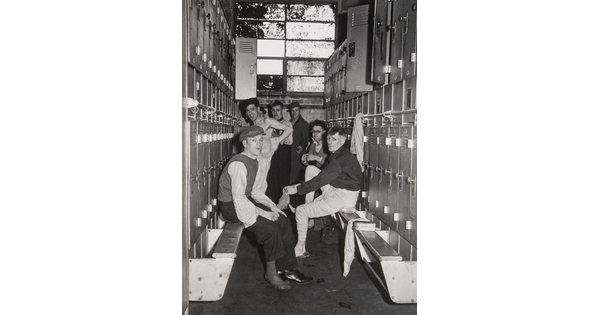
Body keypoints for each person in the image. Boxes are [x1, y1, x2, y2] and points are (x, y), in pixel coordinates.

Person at [217, 125, 313, 289]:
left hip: (243, 201)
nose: (258, 144)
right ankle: (271, 273)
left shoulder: (253, 160)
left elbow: (254, 191)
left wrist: (271, 206)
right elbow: (239, 198)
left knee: (282, 220)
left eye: (261, 140)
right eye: (253, 141)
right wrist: (263, 213)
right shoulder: (239, 164)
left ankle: (287, 268)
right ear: (245, 143)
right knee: (269, 229)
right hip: (230, 206)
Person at [283, 126, 362, 258]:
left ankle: (300, 248)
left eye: (334, 139)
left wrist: (297, 189)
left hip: (343, 196)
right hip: (337, 188)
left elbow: (320, 180)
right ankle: (309, 205)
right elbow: (322, 176)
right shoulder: (339, 154)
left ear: (342, 140)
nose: (330, 142)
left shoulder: (338, 159)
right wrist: (298, 186)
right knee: (310, 170)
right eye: (329, 138)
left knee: (301, 211)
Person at [239, 98, 293, 206]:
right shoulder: (252, 127)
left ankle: (271, 212)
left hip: (264, 162)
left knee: (260, 189)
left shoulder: (267, 121)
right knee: (253, 189)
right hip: (254, 162)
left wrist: (277, 140)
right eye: (248, 111)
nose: (250, 113)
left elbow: (289, 129)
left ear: (258, 109)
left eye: (252, 109)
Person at [300, 120, 329, 230]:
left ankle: (308, 210)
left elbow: (330, 164)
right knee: (308, 169)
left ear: (324, 133)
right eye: (313, 132)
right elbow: (309, 164)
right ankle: (308, 211)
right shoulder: (313, 145)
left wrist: (316, 158)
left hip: (327, 176)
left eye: (318, 131)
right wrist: (304, 160)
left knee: (309, 172)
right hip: (316, 175)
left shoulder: (327, 144)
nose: (315, 134)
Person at [265, 100, 293, 203]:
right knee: (271, 182)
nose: (276, 113)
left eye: (278, 110)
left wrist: (277, 137)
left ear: (282, 111)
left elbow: (289, 141)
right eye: (273, 110)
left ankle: (283, 207)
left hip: (283, 156)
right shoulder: (268, 123)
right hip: (271, 156)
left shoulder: (287, 124)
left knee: (283, 182)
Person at [288, 102, 310, 185]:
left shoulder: (304, 124)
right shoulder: (288, 123)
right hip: (288, 154)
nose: (294, 113)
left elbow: (305, 140)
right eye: (292, 110)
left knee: (295, 178)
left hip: (297, 155)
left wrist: (300, 147)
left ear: (300, 110)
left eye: (296, 110)